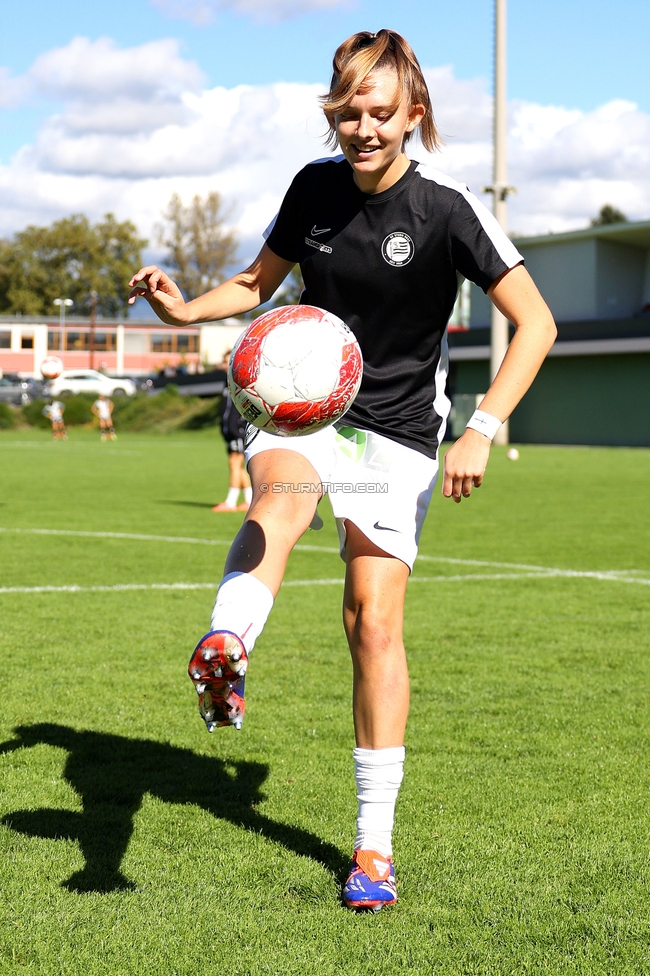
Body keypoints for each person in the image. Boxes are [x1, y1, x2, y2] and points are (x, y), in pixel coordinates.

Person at [128, 29, 557, 912]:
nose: (362, 128)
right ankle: (228, 643)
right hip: (303, 406)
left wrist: (482, 427)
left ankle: (373, 848)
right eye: (347, 111)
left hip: (395, 433)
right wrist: (185, 307)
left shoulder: (448, 209)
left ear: (414, 115)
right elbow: (256, 283)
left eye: (379, 112)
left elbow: (537, 322)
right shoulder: (314, 189)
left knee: (371, 621)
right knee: (279, 497)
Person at [212, 351, 252, 512]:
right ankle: (249, 500)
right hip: (229, 431)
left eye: (228, 360)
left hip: (238, 431)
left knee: (235, 463)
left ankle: (230, 502)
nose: (225, 364)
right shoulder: (226, 381)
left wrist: (238, 425)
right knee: (237, 465)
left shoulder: (241, 380)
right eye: (224, 360)